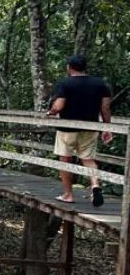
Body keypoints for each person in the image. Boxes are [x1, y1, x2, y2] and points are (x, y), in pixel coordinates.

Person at [46, 54, 113, 207]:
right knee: (88, 159)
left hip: (67, 129)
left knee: (65, 159)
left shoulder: (65, 83)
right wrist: (107, 128)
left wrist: (51, 112)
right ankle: (95, 185)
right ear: (84, 68)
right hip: (90, 128)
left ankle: (68, 194)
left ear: (69, 68)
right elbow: (105, 108)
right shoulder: (100, 84)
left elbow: (59, 106)